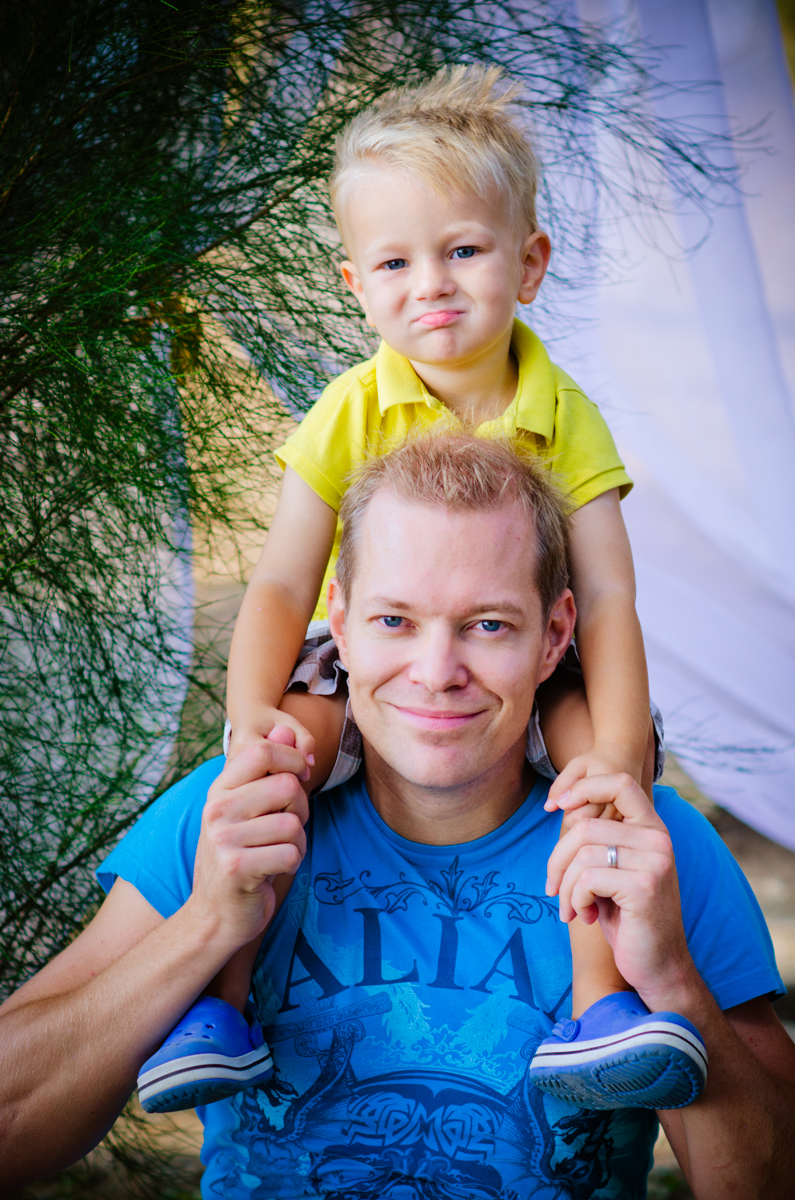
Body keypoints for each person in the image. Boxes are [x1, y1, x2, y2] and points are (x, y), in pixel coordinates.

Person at [1, 433, 793, 1200]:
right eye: (394, 621)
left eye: (487, 624)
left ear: (555, 637)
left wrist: (670, 981)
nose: (436, 672)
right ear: (339, 625)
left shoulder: (644, 847)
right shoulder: (234, 814)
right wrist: (205, 925)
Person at [144, 63, 669, 1112]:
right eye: (395, 261)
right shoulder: (349, 410)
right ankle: (220, 1006)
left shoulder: (565, 416)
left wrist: (617, 755)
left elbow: (608, 600)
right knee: (274, 766)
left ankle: (602, 1005)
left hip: (531, 659)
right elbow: (282, 582)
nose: (430, 284)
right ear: (356, 283)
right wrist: (251, 719)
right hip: (366, 656)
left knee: (600, 780)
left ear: (529, 263)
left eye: (463, 251)